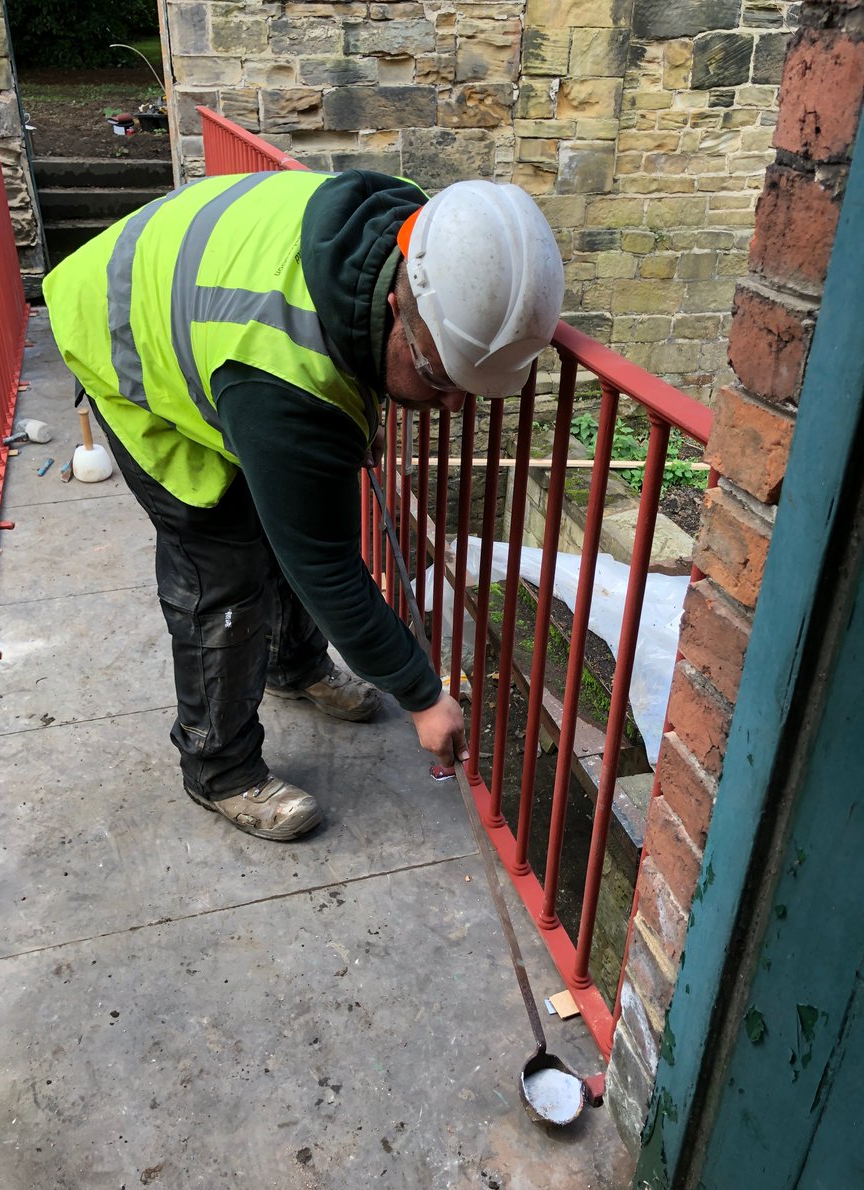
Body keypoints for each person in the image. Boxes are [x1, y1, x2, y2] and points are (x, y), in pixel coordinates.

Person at [43, 168, 564, 842]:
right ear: (400, 313)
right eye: (440, 378)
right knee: (222, 563)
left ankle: (293, 665)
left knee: (290, 513)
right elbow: (326, 565)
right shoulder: (286, 388)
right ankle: (219, 768)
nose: (453, 405)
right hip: (121, 331)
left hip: (201, 312)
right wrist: (423, 695)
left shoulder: (411, 230)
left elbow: (319, 482)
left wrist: (380, 398)